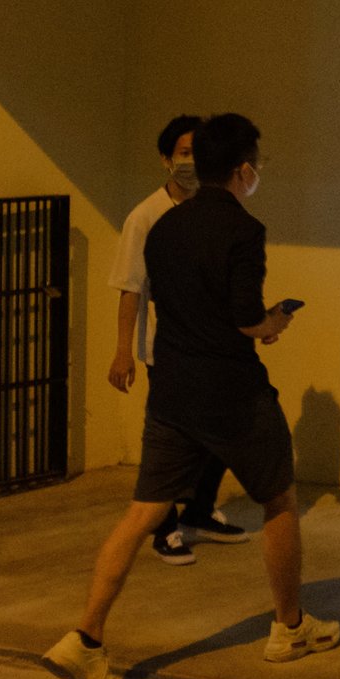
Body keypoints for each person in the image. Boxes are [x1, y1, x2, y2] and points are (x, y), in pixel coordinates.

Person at [43, 114, 339, 679]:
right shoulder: (244, 230)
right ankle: (289, 628)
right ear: (243, 170)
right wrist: (273, 322)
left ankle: (86, 638)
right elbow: (245, 316)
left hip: (172, 390)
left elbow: (172, 301)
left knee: (142, 513)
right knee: (279, 500)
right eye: (257, 163)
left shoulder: (163, 227)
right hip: (233, 392)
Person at [106, 115, 248, 566]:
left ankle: (200, 511)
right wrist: (124, 351)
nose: (192, 162)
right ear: (166, 159)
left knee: (226, 428)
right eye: (184, 153)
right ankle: (164, 528)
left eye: (198, 153)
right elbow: (130, 288)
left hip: (214, 347)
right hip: (167, 350)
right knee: (172, 441)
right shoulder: (145, 217)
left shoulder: (216, 207)